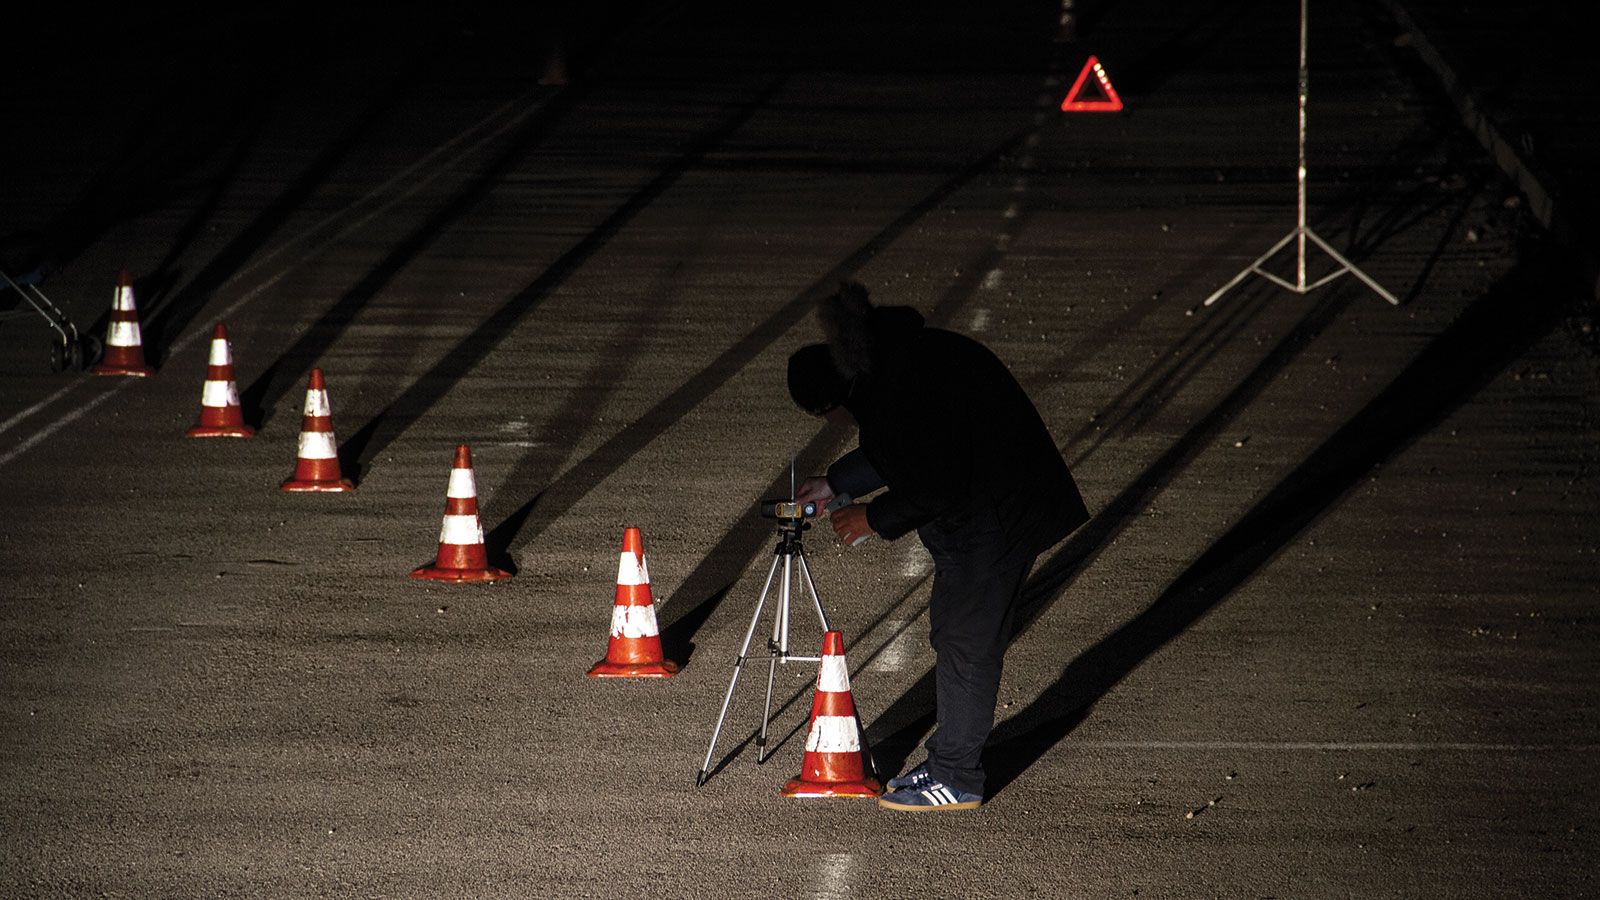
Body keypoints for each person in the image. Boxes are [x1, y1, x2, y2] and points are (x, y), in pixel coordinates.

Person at [787, 281, 1089, 811]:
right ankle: (950, 763)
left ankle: (956, 777)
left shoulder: (896, 388)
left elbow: (935, 479)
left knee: (967, 642)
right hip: (991, 504)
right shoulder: (896, 363)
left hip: (996, 516)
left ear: (832, 403)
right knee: (957, 632)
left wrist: (870, 518)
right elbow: (902, 449)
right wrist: (837, 483)